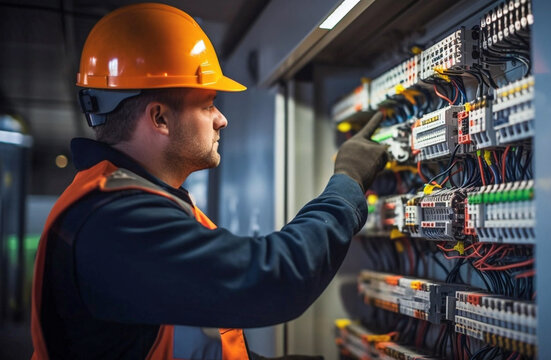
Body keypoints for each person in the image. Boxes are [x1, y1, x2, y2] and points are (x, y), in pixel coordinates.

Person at [30, 3, 387, 360]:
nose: (221, 119)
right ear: (160, 118)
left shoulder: (127, 202)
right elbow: (272, 282)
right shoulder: (114, 220)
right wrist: (348, 182)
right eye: (208, 104)